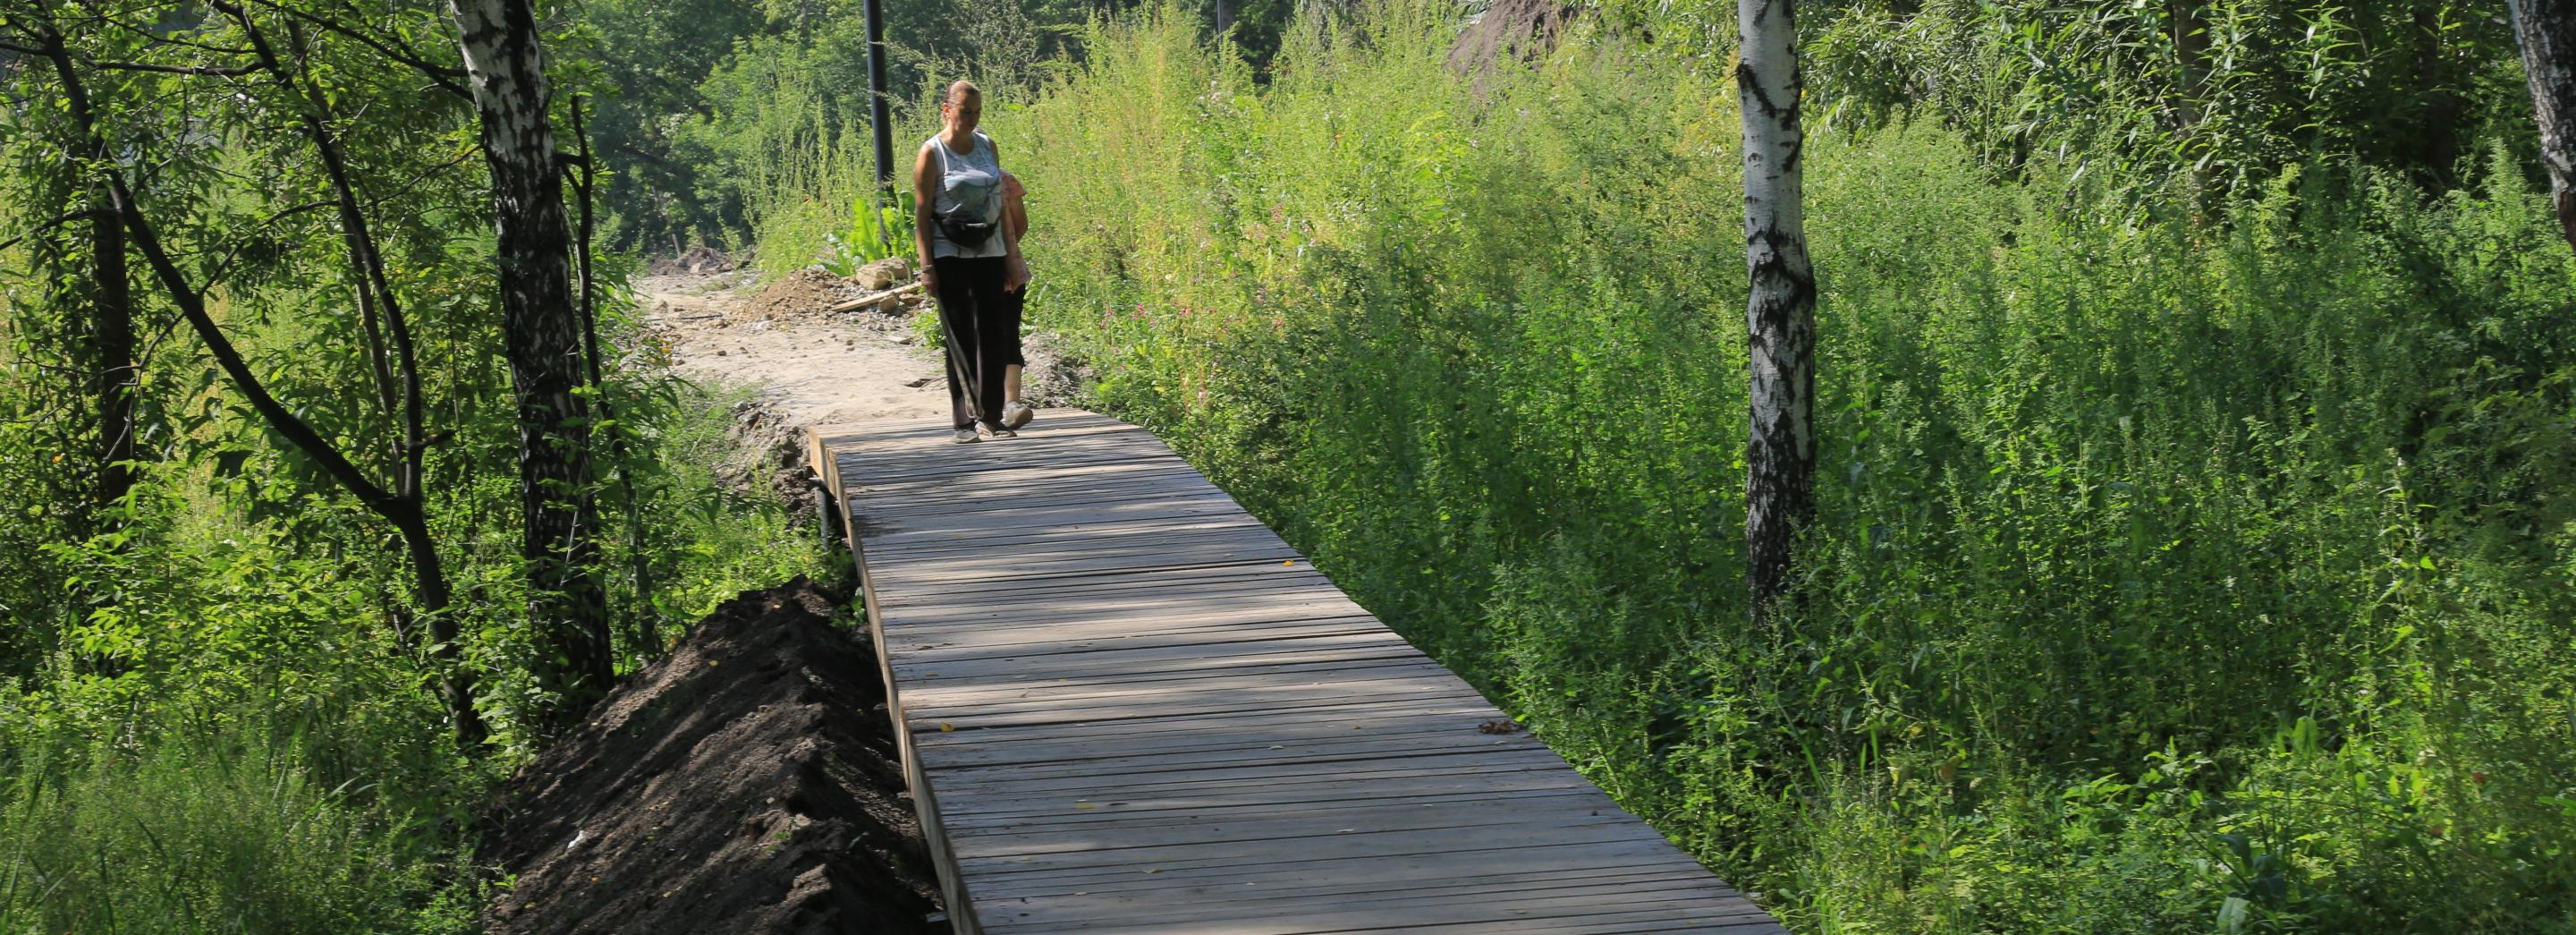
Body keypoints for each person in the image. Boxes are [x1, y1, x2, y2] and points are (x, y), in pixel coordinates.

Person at [914, 80, 1030, 443]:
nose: (972, 119)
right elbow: (921, 214)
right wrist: (927, 267)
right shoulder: (932, 153)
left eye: (977, 112)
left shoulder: (987, 146)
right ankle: (964, 422)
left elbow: (1000, 204)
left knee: (993, 333)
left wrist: (1011, 258)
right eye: (965, 112)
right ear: (946, 110)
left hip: (990, 251)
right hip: (949, 253)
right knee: (961, 336)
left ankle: (992, 418)